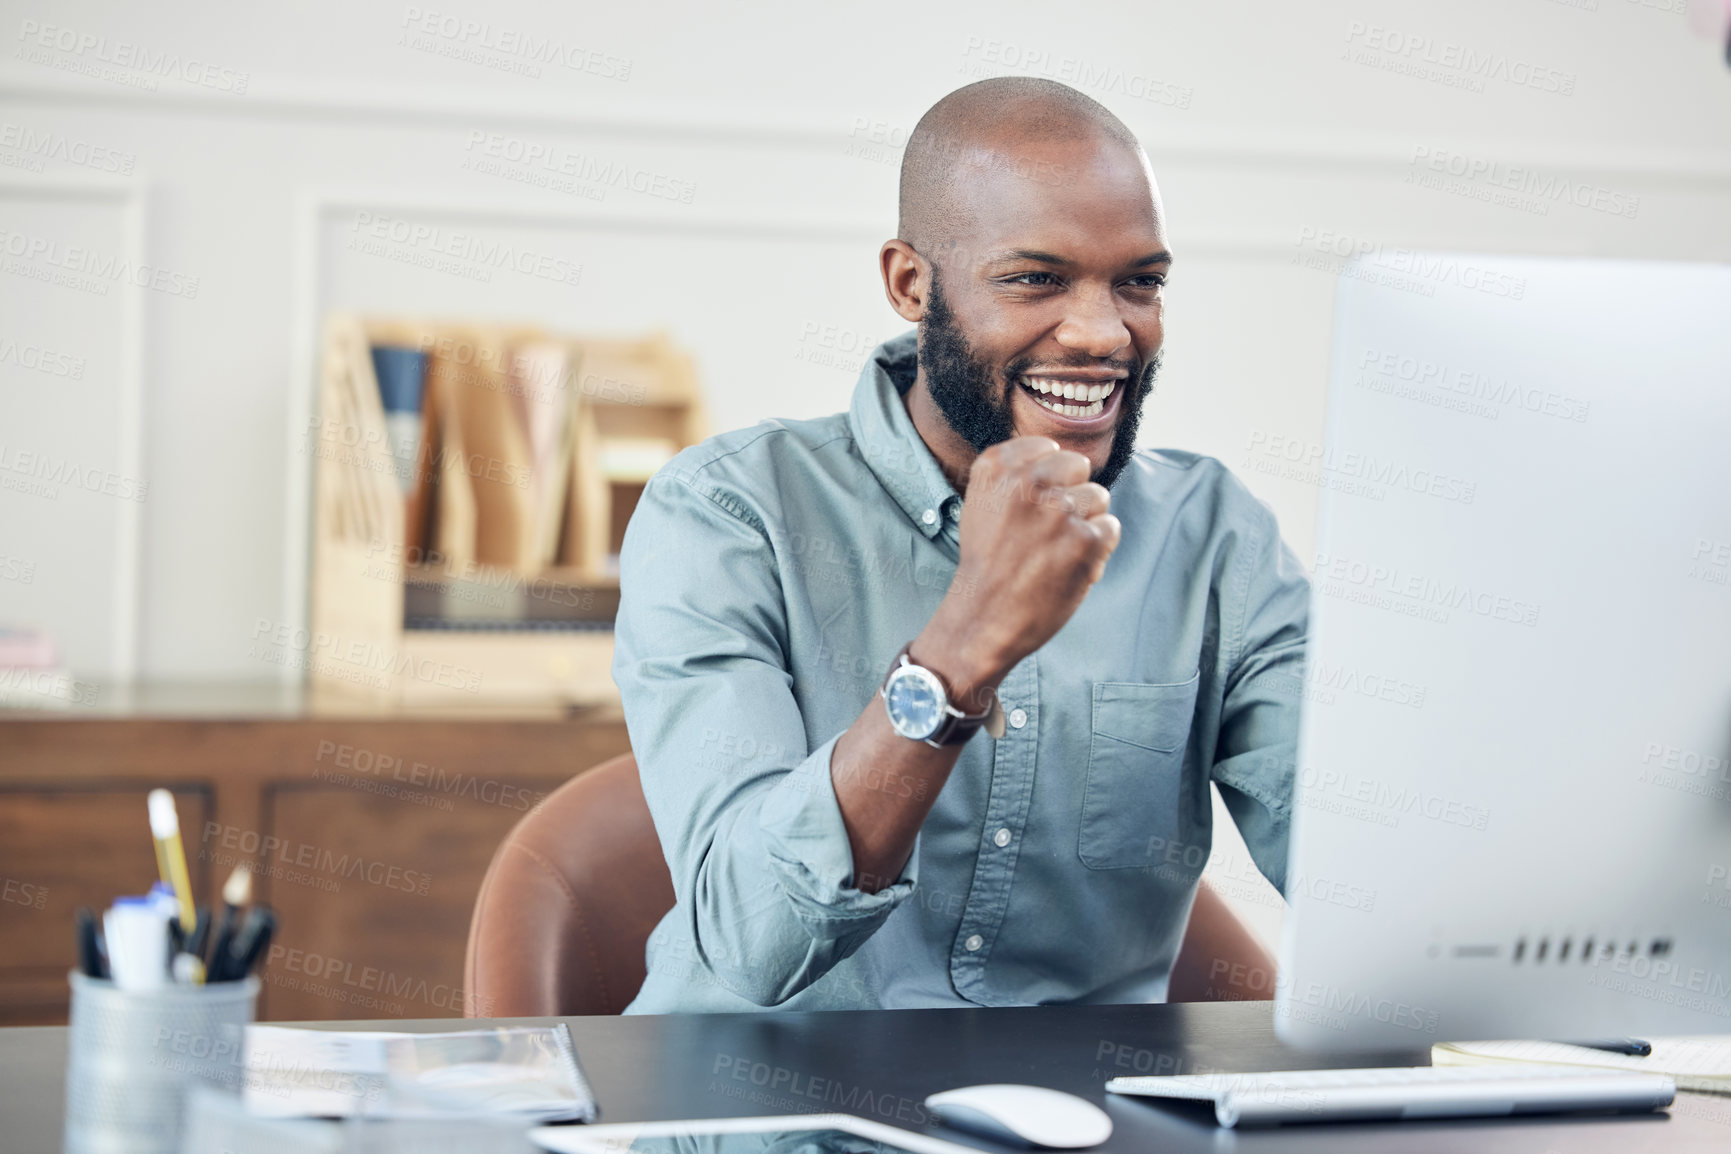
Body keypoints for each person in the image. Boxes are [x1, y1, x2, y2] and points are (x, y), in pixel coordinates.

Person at [613, 77, 1308, 1012]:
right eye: (1035, 279)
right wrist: (964, 645)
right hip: (764, 1109)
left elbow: (1361, 868)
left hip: (1088, 1115)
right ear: (910, 283)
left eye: (1139, 282)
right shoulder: (728, 513)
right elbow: (751, 941)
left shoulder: (1214, 534)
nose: (1103, 333)